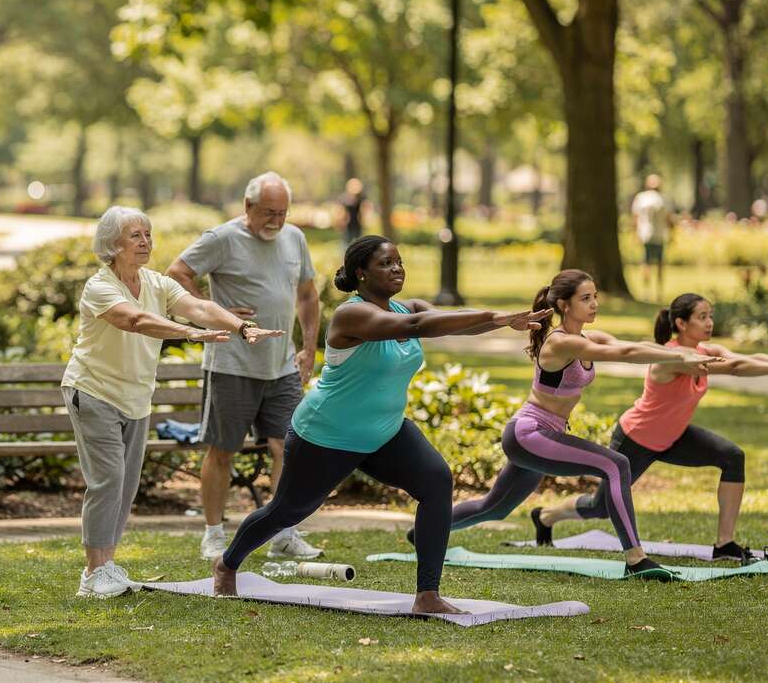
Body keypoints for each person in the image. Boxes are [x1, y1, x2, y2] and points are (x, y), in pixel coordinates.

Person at [212, 235, 551, 613]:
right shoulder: (351, 315)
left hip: (384, 431)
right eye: (386, 264)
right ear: (361, 274)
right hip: (327, 434)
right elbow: (416, 326)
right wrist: (495, 318)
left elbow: (443, 322)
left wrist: (502, 321)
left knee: (436, 481)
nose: (397, 269)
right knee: (287, 512)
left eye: (399, 262)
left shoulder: (408, 306)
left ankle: (427, 595)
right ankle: (227, 564)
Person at [63, 206, 284, 599]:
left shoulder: (155, 282)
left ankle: (107, 566)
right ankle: (93, 573)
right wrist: (189, 334)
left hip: (135, 398)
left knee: (125, 486)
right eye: (135, 235)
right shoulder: (101, 286)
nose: (146, 242)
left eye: (148, 234)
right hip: (94, 391)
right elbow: (134, 321)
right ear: (113, 244)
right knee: (108, 480)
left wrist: (240, 326)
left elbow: (200, 307)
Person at [442, 269, 720, 580]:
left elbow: (629, 344)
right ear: (564, 305)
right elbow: (625, 354)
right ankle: (636, 558)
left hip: (539, 436)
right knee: (616, 465)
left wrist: (681, 354)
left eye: (595, 297)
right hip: (529, 433)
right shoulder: (560, 343)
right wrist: (681, 359)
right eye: (585, 298)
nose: (594, 304)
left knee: (494, 508)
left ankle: (423, 530)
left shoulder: (586, 337)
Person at [531, 293, 768, 559]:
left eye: (710, 316)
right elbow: (736, 368)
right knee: (600, 507)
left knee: (732, 457)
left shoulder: (704, 351)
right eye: (702, 317)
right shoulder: (670, 358)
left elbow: (746, 357)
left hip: (674, 436)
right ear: (681, 324)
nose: (709, 322)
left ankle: (725, 543)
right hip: (637, 438)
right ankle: (545, 516)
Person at [167, 171, 322, 562]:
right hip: (231, 364)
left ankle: (284, 532)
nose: (276, 221)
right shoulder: (222, 238)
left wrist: (307, 349)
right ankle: (214, 534)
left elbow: (306, 295)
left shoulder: (295, 238)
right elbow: (177, 273)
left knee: (289, 448)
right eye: (268, 212)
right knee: (222, 450)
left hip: (281, 365)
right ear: (247, 206)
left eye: (283, 212)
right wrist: (210, 313)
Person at [631, 174, 670, 300]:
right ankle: (659, 293)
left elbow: (635, 218)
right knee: (659, 264)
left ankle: (646, 292)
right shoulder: (664, 199)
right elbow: (669, 219)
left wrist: (635, 233)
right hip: (660, 235)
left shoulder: (641, 198)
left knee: (646, 263)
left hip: (645, 234)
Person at [337, 177, 367, 250]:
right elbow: (340, 212)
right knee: (346, 245)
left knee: (359, 244)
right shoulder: (344, 198)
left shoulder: (360, 198)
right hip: (347, 226)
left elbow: (364, 210)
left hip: (357, 225)